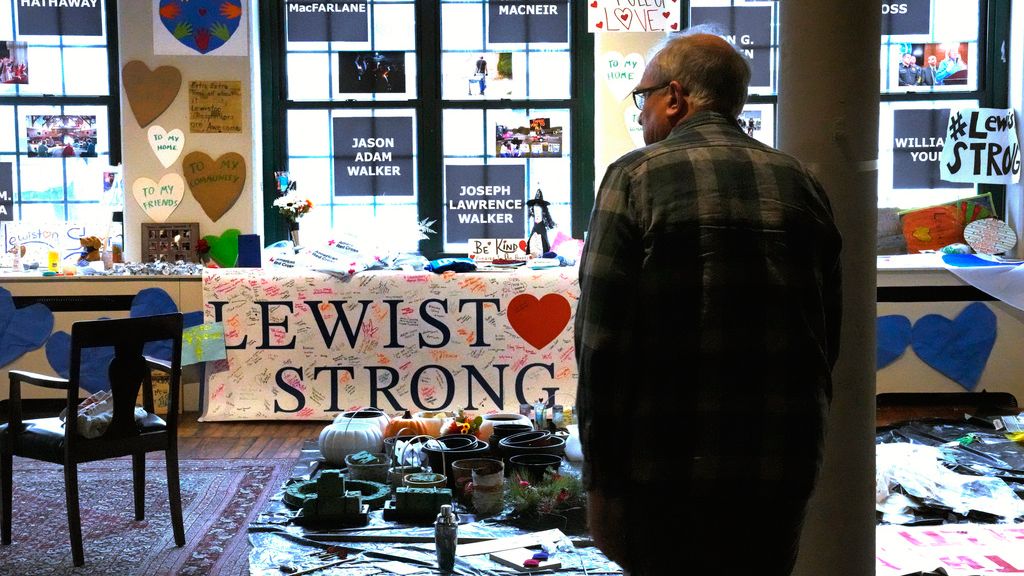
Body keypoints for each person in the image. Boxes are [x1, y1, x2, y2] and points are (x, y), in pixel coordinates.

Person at [575, 32, 841, 576]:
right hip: (780, 464)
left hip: (666, 469)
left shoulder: (634, 177)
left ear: (675, 98)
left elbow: (602, 346)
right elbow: (826, 336)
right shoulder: (802, 183)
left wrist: (601, 485)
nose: (642, 114)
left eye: (642, 98)